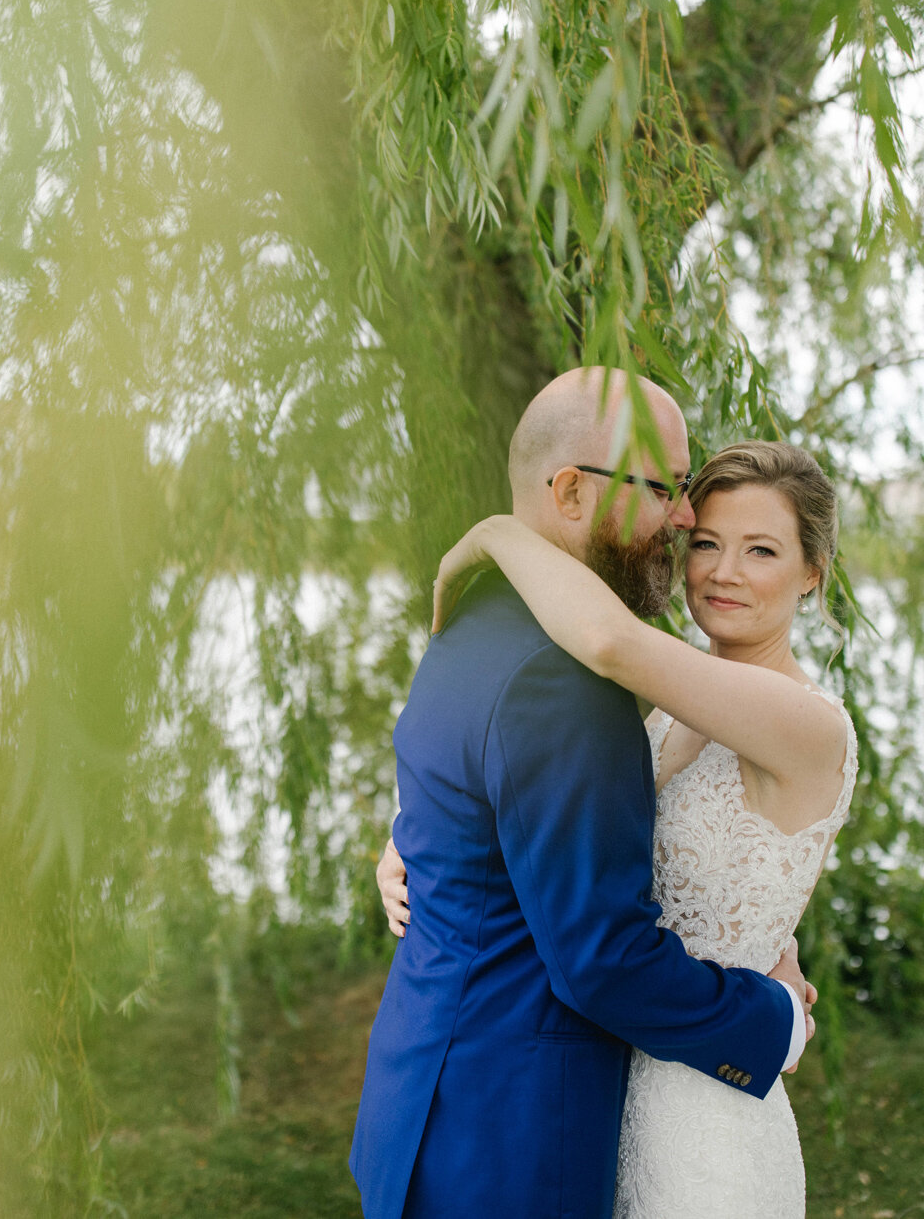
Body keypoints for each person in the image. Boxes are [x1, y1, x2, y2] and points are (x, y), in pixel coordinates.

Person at [348, 369, 816, 1219]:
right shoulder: (565, 684)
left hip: (428, 1101)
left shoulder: (474, 620)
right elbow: (603, 960)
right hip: (510, 1139)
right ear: (568, 492)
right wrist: (773, 1017)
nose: (684, 519)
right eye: (666, 490)